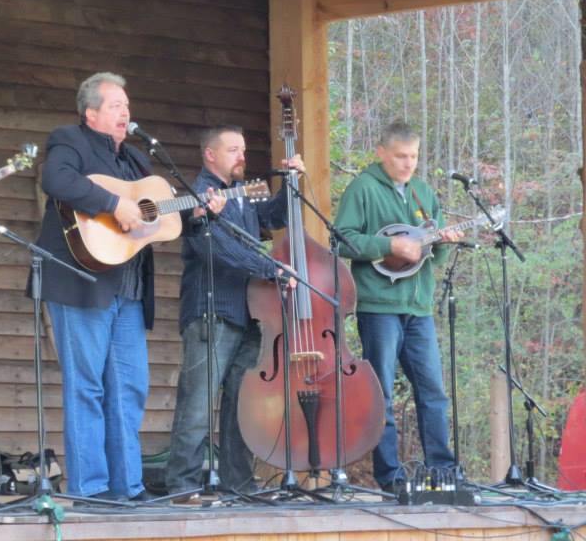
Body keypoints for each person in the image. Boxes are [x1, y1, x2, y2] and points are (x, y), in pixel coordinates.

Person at [32, 71, 155, 501]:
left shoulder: (136, 161)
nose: (125, 112)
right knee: (87, 386)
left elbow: (154, 212)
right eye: (116, 106)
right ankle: (91, 487)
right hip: (81, 283)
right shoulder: (69, 140)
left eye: (127, 105)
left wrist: (199, 210)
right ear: (91, 113)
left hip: (129, 291)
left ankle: (128, 485)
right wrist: (113, 203)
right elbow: (56, 180)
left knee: (129, 389)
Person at [165, 125, 303, 498]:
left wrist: (291, 182)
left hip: (249, 313)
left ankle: (238, 483)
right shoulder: (199, 194)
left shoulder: (241, 193)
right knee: (198, 402)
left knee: (241, 403)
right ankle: (182, 486)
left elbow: (274, 217)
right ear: (210, 154)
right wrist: (271, 269)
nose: (242, 156)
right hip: (212, 311)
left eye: (243, 149)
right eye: (232, 150)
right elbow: (219, 248)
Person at [334, 121, 461, 494]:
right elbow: (341, 239)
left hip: (419, 308)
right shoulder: (363, 188)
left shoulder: (424, 193)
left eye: (414, 157)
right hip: (379, 307)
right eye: (401, 156)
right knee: (383, 393)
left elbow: (432, 259)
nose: (408, 164)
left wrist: (443, 243)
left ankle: (442, 472)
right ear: (382, 153)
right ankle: (390, 477)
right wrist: (388, 246)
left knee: (433, 392)